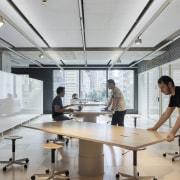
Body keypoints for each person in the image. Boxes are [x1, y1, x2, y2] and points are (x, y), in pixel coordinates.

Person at [148, 75, 180, 142]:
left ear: (169, 84)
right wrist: (155, 128)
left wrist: (172, 133)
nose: (161, 91)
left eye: (162, 87)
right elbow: (166, 114)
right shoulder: (173, 96)